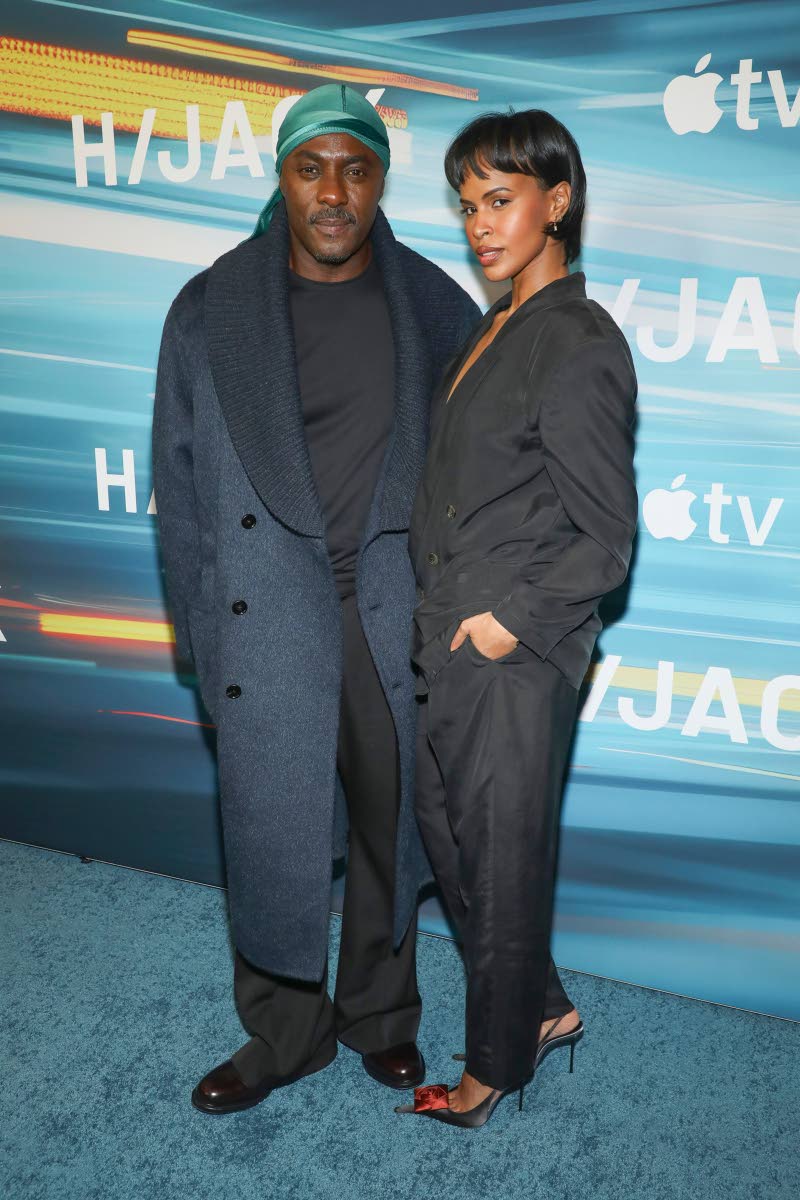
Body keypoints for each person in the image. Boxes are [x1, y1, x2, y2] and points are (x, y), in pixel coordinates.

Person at [152, 84, 480, 1115]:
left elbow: (475, 480)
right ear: (282, 176)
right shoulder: (209, 309)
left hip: (390, 615)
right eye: (311, 167)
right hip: (267, 618)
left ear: (380, 181)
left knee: (389, 831)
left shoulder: (435, 307)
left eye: (356, 167)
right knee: (270, 830)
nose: (333, 191)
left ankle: (379, 1018)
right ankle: (282, 1032)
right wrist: (205, 639)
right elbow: (178, 492)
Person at [397, 109, 638, 1128]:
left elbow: (605, 539)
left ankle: (492, 1069)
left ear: (557, 201)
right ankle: (537, 1007)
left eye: (500, 200)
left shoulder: (577, 343)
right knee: (455, 848)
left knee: (493, 859)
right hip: (450, 640)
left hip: (507, 653)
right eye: (466, 207)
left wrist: (504, 625)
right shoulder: (494, 328)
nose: (480, 226)